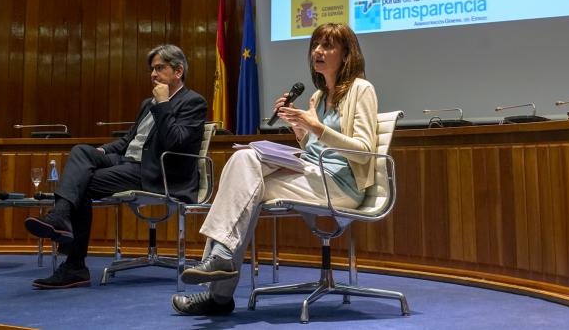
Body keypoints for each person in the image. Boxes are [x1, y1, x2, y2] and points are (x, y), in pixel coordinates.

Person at [171, 23, 378, 316]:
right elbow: (313, 147)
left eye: (328, 46)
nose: (318, 51)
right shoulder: (318, 97)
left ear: (346, 55)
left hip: (341, 185)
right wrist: (299, 127)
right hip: (313, 172)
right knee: (244, 162)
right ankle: (220, 264)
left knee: (246, 183)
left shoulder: (361, 89)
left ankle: (219, 287)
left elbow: (363, 150)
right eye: (316, 45)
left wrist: (315, 127)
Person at [24, 44, 208, 289]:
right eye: (152, 69)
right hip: (127, 161)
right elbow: (128, 140)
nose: (153, 74)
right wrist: (101, 152)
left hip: (157, 172)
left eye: (160, 68)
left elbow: (175, 141)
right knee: (81, 151)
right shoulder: (147, 103)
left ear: (178, 71)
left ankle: (74, 260)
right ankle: (62, 221)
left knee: (83, 184)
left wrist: (163, 104)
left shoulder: (193, 102)